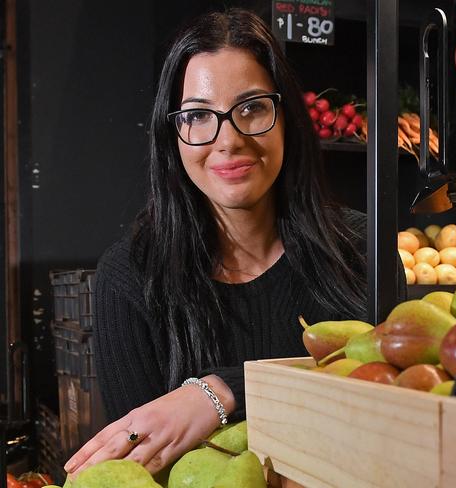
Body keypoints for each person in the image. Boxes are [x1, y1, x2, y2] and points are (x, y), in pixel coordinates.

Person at [64, 8, 405, 476]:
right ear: (174, 134)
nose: (228, 140)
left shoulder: (359, 252)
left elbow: (390, 416)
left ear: (285, 117)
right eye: (200, 115)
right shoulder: (130, 277)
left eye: (252, 108)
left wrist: (221, 391)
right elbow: (148, 469)